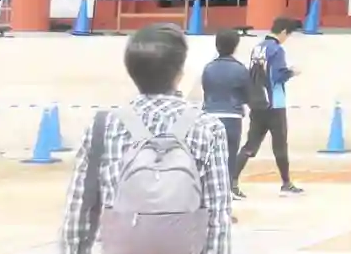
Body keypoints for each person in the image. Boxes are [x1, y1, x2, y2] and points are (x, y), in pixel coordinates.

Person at [59, 22, 233, 254]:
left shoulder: (104, 125)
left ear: (132, 72)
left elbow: (79, 207)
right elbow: (218, 216)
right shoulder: (208, 127)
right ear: (179, 73)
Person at [232, 16, 304, 196]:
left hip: (257, 102)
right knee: (280, 145)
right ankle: (286, 183)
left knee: (250, 145)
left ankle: (232, 181)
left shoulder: (257, 48)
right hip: (275, 103)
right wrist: (292, 72)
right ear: (284, 32)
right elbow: (278, 75)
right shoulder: (277, 50)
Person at [200, 29, 250, 199]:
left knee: (208, 154)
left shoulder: (208, 68)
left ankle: (207, 188)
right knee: (230, 154)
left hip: (210, 114)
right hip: (232, 116)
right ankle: (226, 188)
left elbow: (206, 90)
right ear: (235, 46)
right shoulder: (240, 69)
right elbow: (247, 94)